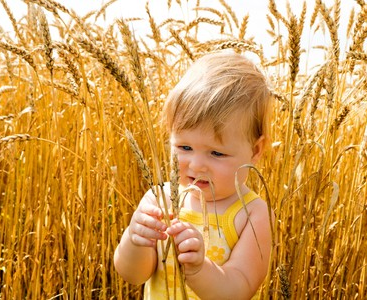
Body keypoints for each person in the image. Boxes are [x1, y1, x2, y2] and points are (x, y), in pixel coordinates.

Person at [114, 51, 274, 299]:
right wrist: (135, 240)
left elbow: (239, 289)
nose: (197, 165)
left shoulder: (252, 214)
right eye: (184, 148)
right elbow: (133, 275)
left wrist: (200, 270)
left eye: (217, 153)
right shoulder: (160, 199)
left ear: (255, 150)